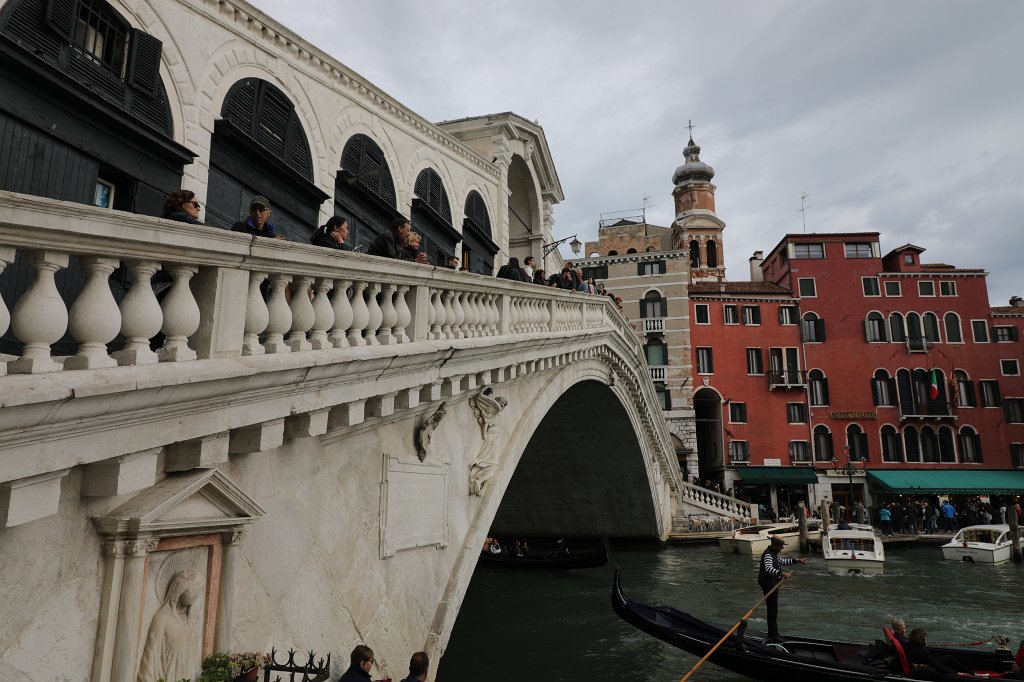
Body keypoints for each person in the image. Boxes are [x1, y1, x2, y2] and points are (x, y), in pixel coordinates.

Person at [757, 535, 807, 643]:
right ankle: (772, 634)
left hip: (772, 584)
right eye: (781, 546)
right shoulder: (768, 555)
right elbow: (768, 568)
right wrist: (782, 573)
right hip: (768, 585)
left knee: (773, 609)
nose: (782, 548)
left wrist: (797, 560)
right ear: (775, 544)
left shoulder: (773, 554)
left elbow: (783, 562)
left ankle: (774, 632)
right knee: (772, 609)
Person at [906, 628, 973, 675]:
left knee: (948, 659)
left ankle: (969, 672)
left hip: (922, 668)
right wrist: (957, 673)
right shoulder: (922, 650)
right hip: (925, 671)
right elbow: (936, 666)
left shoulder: (910, 645)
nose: (926, 639)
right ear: (921, 639)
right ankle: (971, 673)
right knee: (949, 658)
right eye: (925, 637)